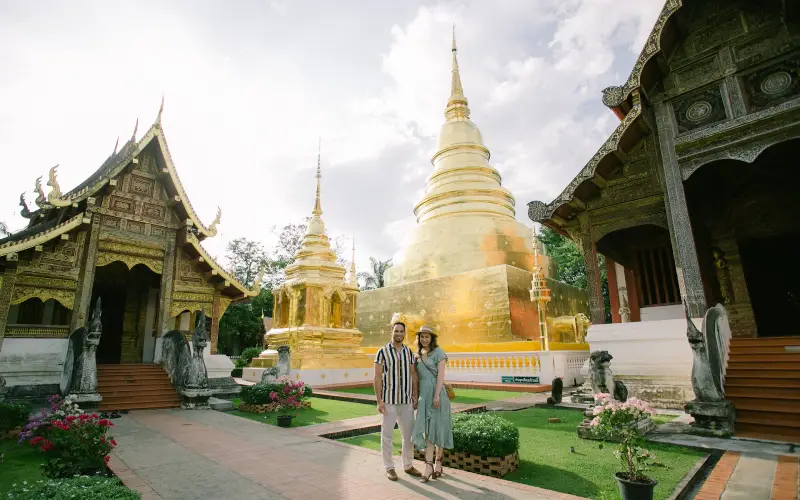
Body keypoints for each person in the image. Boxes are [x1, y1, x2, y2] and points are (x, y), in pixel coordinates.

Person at [374, 321, 421, 481]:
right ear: (391, 332)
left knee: (408, 436)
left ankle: (408, 465)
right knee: (387, 435)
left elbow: (414, 375)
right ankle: (389, 468)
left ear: (404, 333)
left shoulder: (409, 352)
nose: (399, 334)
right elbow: (377, 377)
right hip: (389, 401)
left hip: (406, 401)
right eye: (396, 331)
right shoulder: (382, 352)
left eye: (401, 331)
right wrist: (379, 401)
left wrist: (415, 395)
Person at [412, 325, 453, 483]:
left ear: (432, 338)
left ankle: (437, 464)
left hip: (437, 396)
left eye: (427, 336)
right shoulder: (418, 355)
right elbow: (415, 377)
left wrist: (436, 396)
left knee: (439, 429)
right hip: (424, 396)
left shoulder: (439, 353)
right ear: (419, 338)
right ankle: (429, 466)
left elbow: (441, 377)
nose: (424, 339)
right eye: (422, 336)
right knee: (428, 431)